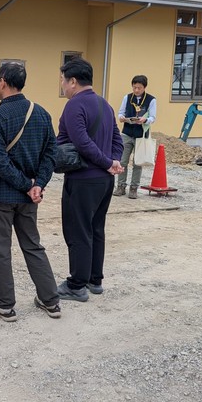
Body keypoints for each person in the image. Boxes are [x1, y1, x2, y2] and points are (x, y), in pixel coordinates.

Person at [0, 62, 61, 322]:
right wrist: (38, 184)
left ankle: (5, 305)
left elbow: (0, 162)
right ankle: (50, 300)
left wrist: (28, 186)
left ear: (3, 82)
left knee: (1, 249)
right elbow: (51, 154)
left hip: (1, 195)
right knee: (33, 245)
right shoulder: (42, 113)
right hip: (30, 197)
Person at [57, 58, 123, 302]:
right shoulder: (105, 104)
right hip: (105, 181)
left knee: (78, 231)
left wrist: (106, 162)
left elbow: (82, 142)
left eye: (63, 81)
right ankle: (95, 279)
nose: (63, 85)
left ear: (73, 81)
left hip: (83, 179)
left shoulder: (74, 106)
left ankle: (76, 284)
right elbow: (117, 139)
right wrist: (113, 161)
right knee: (96, 228)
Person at [114, 75, 157, 199]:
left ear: (144, 87)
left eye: (139, 88)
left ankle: (134, 188)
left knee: (138, 162)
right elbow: (121, 112)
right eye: (134, 87)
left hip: (141, 135)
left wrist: (145, 120)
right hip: (127, 133)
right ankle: (121, 186)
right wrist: (121, 117)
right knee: (122, 161)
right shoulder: (127, 98)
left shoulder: (151, 100)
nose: (136, 90)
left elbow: (153, 117)